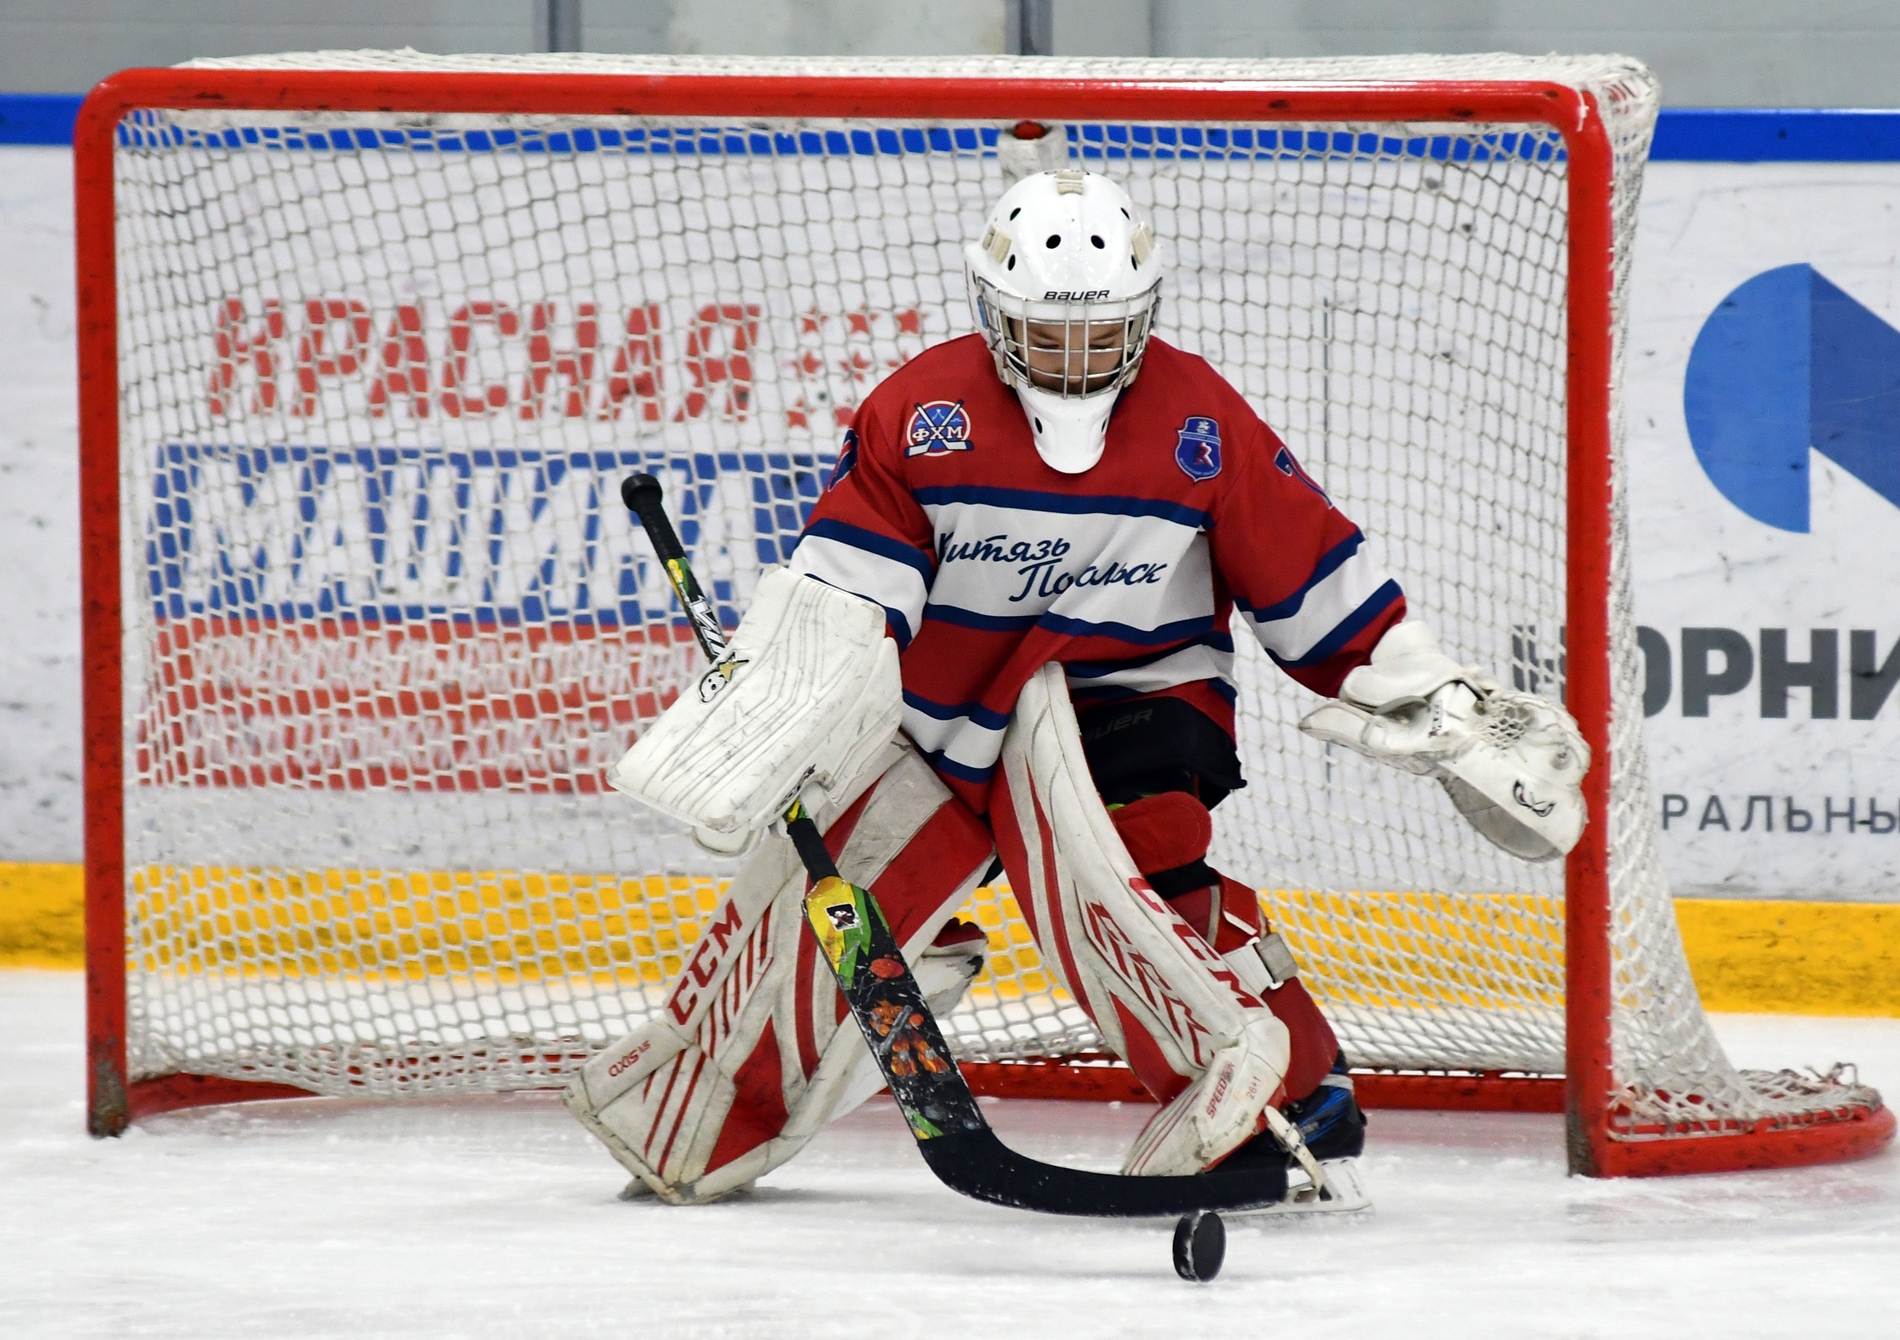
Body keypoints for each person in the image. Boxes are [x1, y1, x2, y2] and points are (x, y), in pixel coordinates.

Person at [565, 168, 1588, 1205]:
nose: (1074, 360)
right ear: (992, 313)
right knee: (833, 905)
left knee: (1139, 863)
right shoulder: (920, 413)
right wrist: (787, 696)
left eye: (1100, 334)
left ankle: (1296, 1084)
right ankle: (707, 1099)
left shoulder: (1201, 422)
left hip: (1136, 687)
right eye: (1047, 336)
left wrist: (1437, 699)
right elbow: (850, 588)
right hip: (942, 709)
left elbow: (1310, 574)